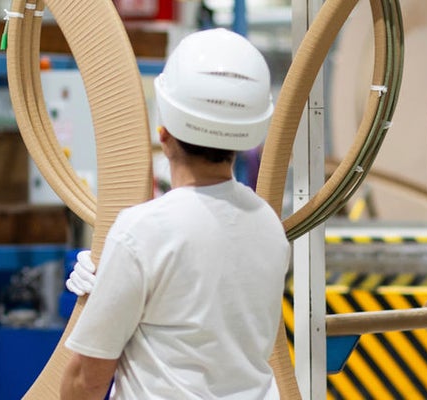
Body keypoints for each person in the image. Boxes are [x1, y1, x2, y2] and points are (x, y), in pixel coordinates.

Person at [60, 28, 290, 399]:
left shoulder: (142, 232)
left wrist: (105, 290)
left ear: (163, 134)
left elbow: (87, 380)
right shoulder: (269, 226)